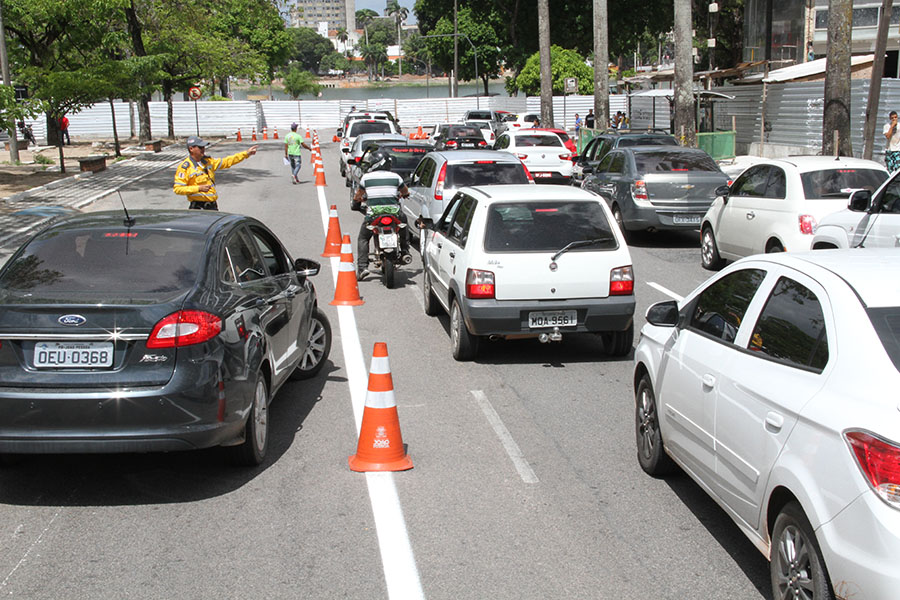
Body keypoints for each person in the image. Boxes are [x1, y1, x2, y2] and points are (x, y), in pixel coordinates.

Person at [351, 151, 411, 280]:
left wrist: (361, 200)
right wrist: (403, 195)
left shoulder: (366, 178)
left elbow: (358, 196)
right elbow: (405, 191)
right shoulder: (396, 177)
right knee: (403, 223)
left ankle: (362, 267)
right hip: (394, 214)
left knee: (363, 238)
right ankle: (405, 251)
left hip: (373, 216)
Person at [173, 136, 259, 210]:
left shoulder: (208, 162)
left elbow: (227, 161)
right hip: (198, 208)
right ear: (191, 149)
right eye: (200, 147)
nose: (203, 149)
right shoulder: (185, 167)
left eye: (203, 147)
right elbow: (178, 189)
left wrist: (246, 154)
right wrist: (198, 188)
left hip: (212, 206)